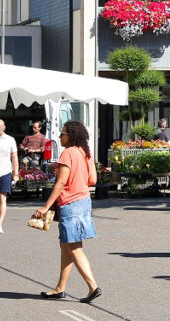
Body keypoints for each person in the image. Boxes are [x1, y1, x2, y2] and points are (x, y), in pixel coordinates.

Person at [33, 121, 101, 303]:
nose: (60, 137)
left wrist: (46, 207)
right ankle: (60, 288)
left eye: (62, 134)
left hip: (70, 204)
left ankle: (93, 286)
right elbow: (92, 179)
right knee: (66, 246)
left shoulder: (68, 153)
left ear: (70, 136)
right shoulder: (85, 152)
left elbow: (60, 182)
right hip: (84, 201)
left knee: (74, 248)